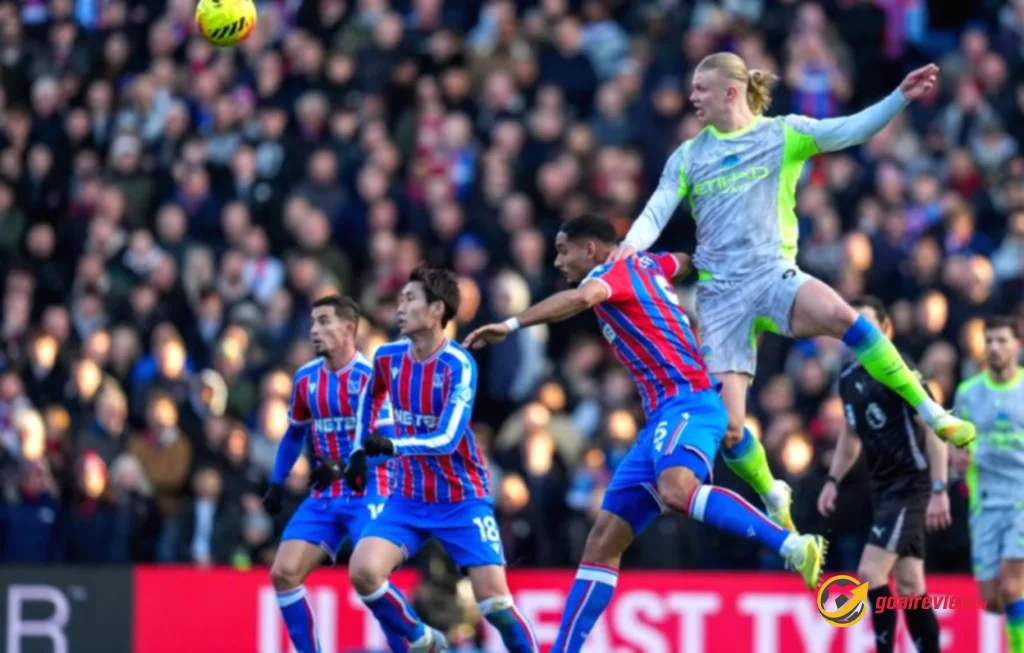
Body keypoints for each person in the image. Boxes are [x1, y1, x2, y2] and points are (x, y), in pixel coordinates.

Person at [606, 52, 975, 533]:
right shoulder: (688, 156)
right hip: (721, 299)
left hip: (772, 274)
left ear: (731, 92)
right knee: (732, 428)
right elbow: (656, 211)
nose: (691, 96)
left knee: (845, 316)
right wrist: (629, 247)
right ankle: (771, 492)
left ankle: (931, 411)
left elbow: (851, 130)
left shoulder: (782, 134)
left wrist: (898, 98)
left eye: (700, 88)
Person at [462, 214, 825, 653]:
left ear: (591, 249)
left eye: (563, 250)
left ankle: (791, 545)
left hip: (689, 401)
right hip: (661, 421)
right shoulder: (647, 265)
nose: (557, 261)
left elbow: (581, 300)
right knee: (602, 543)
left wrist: (513, 324)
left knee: (678, 489)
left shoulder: (606, 275)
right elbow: (684, 261)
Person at [341, 265, 539, 653]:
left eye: (409, 298)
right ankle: (425, 641)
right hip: (409, 497)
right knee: (363, 571)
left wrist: (394, 446)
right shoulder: (387, 357)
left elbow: (448, 438)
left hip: (461, 499)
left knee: (496, 605)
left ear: (436, 310)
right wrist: (358, 451)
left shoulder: (458, 364)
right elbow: (370, 399)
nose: (400, 306)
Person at [261, 294, 404, 653]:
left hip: (371, 489)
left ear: (349, 329)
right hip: (326, 492)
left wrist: (342, 466)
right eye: (312, 322)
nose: (314, 330)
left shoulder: (373, 378)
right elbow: (294, 433)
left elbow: (386, 445)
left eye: (324, 321)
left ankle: (413, 644)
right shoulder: (306, 379)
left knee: (369, 575)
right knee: (283, 573)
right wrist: (277, 483)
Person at [817, 296, 948, 653]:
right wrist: (833, 480)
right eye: (853, 326)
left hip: (911, 483)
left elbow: (934, 426)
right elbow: (850, 436)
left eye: (868, 325)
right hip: (883, 487)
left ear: (885, 329)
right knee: (909, 586)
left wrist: (939, 487)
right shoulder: (846, 379)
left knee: (869, 574)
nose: (859, 334)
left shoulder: (901, 370)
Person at [953, 316, 1024, 653]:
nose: (994, 348)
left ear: (1018, 346)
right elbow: (956, 441)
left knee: (1012, 587)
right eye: (990, 340)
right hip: (984, 502)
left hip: (1021, 500)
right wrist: (957, 457)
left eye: (1002, 340)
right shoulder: (968, 393)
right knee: (992, 600)